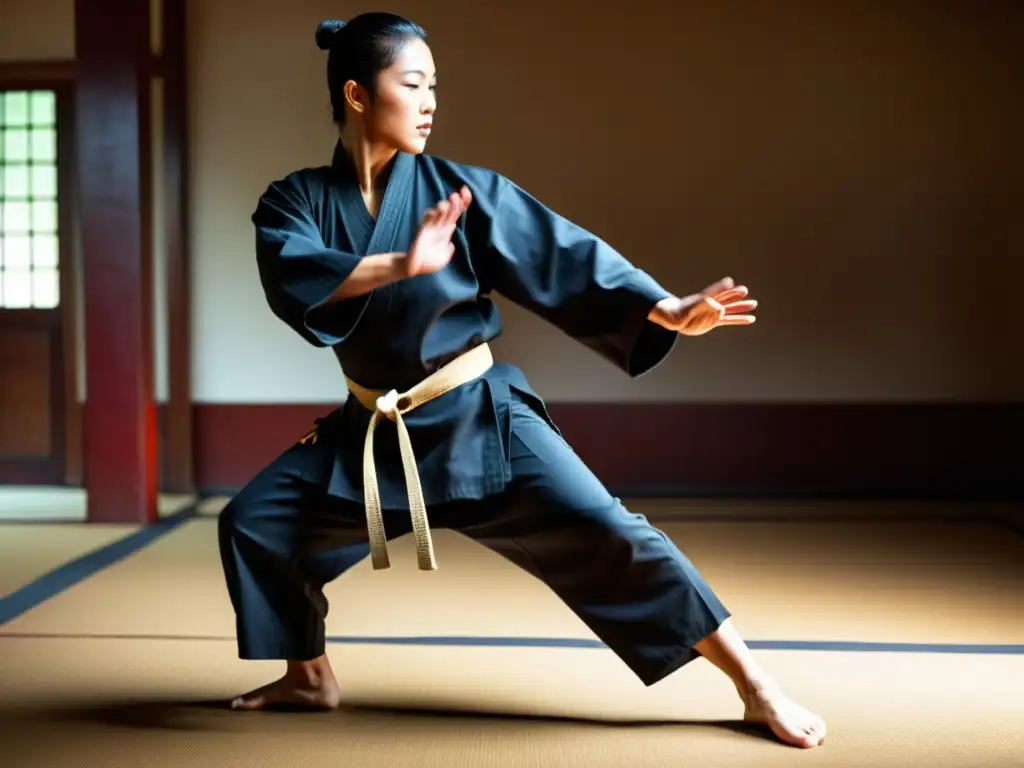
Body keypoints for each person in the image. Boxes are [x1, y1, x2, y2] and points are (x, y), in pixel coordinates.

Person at [218, 12, 827, 750]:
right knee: (256, 522)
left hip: (479, 421)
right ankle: (308, 675)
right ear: (355, 93)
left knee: (610, 532)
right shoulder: (297, 200)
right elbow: (293, 270)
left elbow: (562, 255)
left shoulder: (463, 193)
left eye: (434, 85)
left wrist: (662, 307)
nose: (431, 100)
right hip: (375, 433)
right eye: (413, 84)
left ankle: (755, 685)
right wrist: (396, 264)